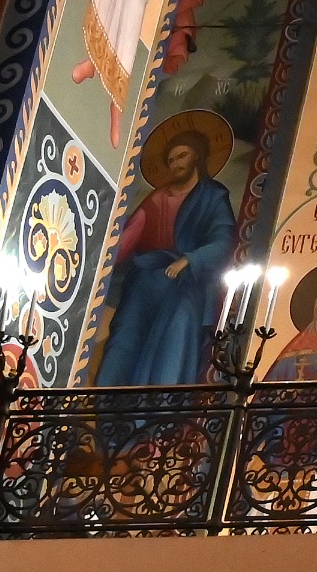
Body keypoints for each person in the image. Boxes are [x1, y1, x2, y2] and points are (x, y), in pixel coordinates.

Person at [95, 111, 237, 386]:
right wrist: (101, 262)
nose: (176, 164)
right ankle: (104, 401)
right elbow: (129, 237)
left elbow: (223, 240)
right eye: (171, 160)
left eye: (182, 156)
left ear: (197, 156)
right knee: (124, 336)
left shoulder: (212, 196)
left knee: (176, 330)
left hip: (187, 283)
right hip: (146, 279)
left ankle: (157, 405)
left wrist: (190, 259)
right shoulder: (158, 197)